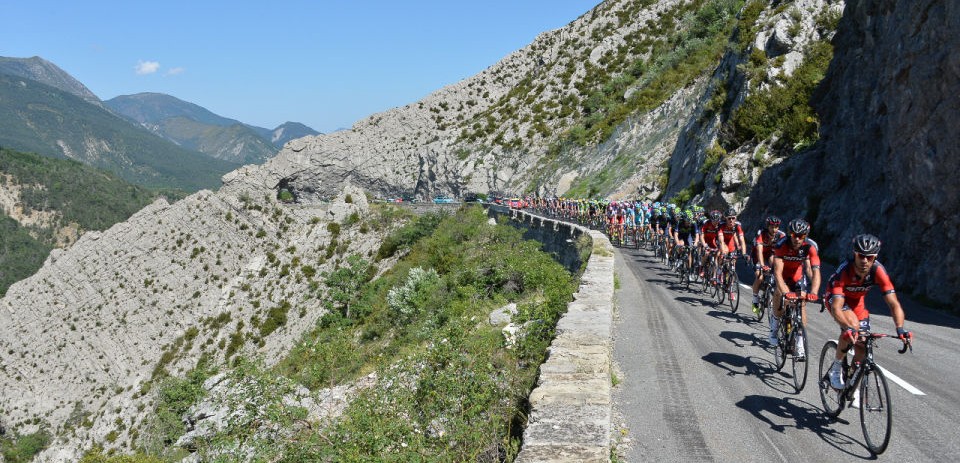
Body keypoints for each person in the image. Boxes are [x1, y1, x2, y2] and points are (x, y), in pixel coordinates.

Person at [825, 234, 912, 389]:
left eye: (869, 257)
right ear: (854, 254)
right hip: (837, 299)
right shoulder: (845, 270)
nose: (864, 260)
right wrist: (848, 328)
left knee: (863, 345)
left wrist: (900, 328)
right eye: (861, 256)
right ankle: (836, 368)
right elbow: (837, 307)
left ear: (875, 257)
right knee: (853, 325)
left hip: (858, 304)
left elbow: (894, 303)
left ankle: (851, 382)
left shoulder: (878, 271)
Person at [769, 218, 821, 359]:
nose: (797, 239)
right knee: (779, 294)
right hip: (783, 276)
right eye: (794, 235)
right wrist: (786, 293)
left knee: (801, 303)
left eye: (801, 236)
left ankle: (799, 341)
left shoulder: (810, 247)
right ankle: (774, 326)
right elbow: (778, 273)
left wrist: (814, 292)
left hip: (797, 277)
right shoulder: (781, 245)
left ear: (806, 236)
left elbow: (814, 272)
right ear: (789, 234)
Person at [752, 216, 785, 314]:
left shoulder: (781, 235)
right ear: (767, 227)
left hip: (770, 254)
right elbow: (759, 251)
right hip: (757, 255)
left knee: (777, 269)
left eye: (776, 227)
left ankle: (770, 287)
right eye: (772, 227)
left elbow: (782, 253)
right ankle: (755, 300)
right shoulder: (761, 233)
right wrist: (762, 265)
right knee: (760, 277)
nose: (774, 229)